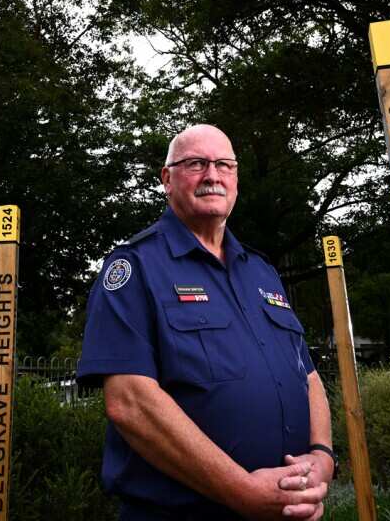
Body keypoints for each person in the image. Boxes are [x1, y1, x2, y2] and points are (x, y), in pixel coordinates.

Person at [76, 124, 335, 520]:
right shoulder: (136, 266)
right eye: (196, 163)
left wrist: (322, 458)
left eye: (224, 165)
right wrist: (241, 490)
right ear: (167, 178)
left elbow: (308, 376)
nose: (212, 175)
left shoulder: (262, 271)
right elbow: (129, 402)